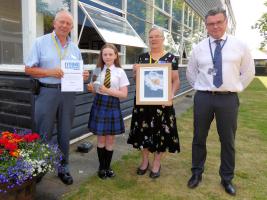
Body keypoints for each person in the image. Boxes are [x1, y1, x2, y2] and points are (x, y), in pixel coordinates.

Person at [186, 7, 255, 195]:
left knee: (228, 140)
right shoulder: (199, 47)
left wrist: (234, 87)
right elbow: (191, 73)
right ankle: (196, 173)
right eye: (210, 23)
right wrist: (203, 87)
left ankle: (226, 178)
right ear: (206, 25)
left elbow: (249, 71)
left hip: (228, 100)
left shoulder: (239, 45)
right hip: (204, 99)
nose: (215, 26)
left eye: (219, 22)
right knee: (199, 137)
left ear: (226, 23)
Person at [25, 10, 89, 185]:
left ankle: (63, 167)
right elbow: (28, 69)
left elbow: (79, 72)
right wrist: (49, 72)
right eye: (61, 22)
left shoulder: (75, 48)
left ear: (71, 27)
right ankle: (39, 167)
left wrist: (83, 75)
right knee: (42, 131)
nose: (64, 25)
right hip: (47, 92)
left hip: (68, 94)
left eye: (68, 23)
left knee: (64, 131)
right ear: (54, 23)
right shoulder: (40, 42)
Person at [127, 27, 180, 179]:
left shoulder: (171, 58)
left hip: (163, 105)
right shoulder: (142, 58)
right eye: (151, 37)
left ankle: (156, 163)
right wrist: (136, 72)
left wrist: (170, 96)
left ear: (163, 39)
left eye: (157, 36)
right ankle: (144, 161)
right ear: (148, 40)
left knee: (162, 134)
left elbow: (175, 81)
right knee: (143, 134)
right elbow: (137, 81)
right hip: (143, 105)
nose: (154, 39)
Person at [87, 43, 130, 179]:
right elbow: (94, 91)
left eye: (110, 54)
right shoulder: (97, 70)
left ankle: (107, 166)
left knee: (110, 139)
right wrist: (91, 89)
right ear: (102, 56)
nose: (107, 57)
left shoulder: (120, 72)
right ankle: (101, 167)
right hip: (99, 104)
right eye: (104, 54)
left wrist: (108, 91)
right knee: (101, 138)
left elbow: (124, 94)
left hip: (112, 105)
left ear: (116, 55)